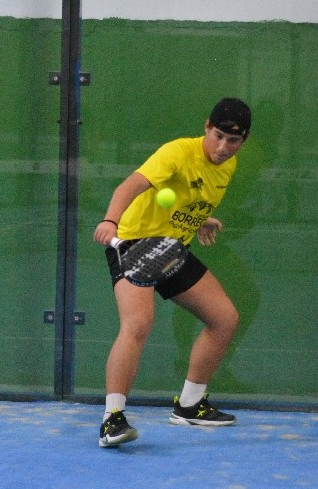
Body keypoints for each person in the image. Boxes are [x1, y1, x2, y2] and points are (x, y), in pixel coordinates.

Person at [93, 97, 251, 448]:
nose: (223, 147)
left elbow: (188, 196)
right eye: (218, 136)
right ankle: (112, 419)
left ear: (243, 142)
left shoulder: (228, 166)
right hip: (134, 243)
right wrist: (110, 220)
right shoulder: (177, 152)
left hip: (172, 248)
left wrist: (200, 219)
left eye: (233, 141)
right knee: (137, 325)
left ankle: (190, 404)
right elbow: (129, 186)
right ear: (207, 127)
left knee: (224, 319)